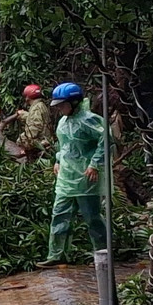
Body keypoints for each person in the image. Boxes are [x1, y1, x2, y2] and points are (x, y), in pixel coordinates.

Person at [36, 82, 109, 269]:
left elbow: (106, 140)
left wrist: (94, 164)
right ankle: (57, 254)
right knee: (59, 215)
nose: (59, 108)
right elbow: (64, 145)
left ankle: (103, 255)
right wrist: (58, 160)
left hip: (86, 178)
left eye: (62, 105)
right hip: (67, 178)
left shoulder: (90, 120)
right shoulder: (63, 121)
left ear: (75, 102)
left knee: (92, 217)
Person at [15, 84, 53, 155]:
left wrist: (21, 140)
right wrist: (23, 115)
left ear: (27, 97)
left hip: (40, 142)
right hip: (46, 140)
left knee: (19, 142)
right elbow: (36, 118)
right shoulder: (40, 105)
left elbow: (34, 128)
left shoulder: (36, 108)